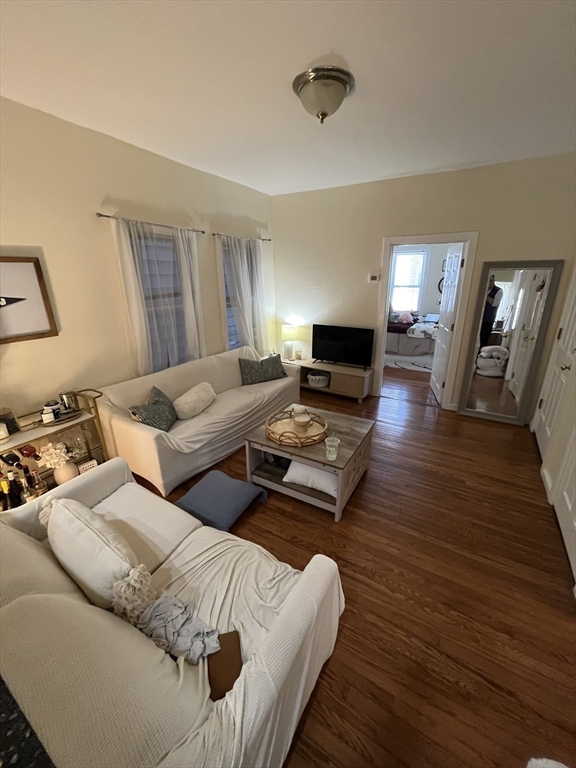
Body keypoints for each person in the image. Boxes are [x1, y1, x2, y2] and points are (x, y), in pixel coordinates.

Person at [480, 274, 503, 349]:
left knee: (483, 340)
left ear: (493, 281)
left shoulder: (498, 291)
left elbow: (495, 303)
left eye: (490, 281)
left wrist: (485, 295)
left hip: (488, 320)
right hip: (479, 318)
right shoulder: (482, 288)